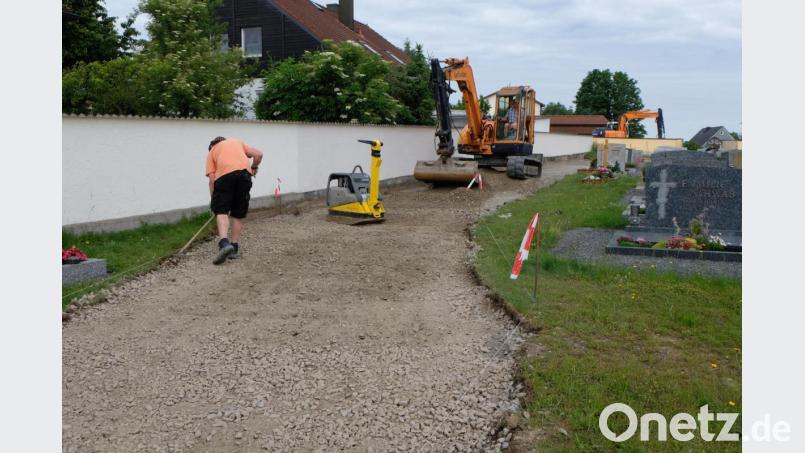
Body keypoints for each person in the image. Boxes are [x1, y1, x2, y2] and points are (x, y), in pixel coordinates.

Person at [205, 136, 263, 265]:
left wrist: (214, 201)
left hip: (224, 177)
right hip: (244, 176)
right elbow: (258, 155)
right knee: (238, 213)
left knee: (222, 211)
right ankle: (234, 247)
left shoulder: (212, 151)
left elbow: (211, 180)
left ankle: (224, 243)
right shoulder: (237, 142)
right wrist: (253, 168)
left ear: (212, 146)